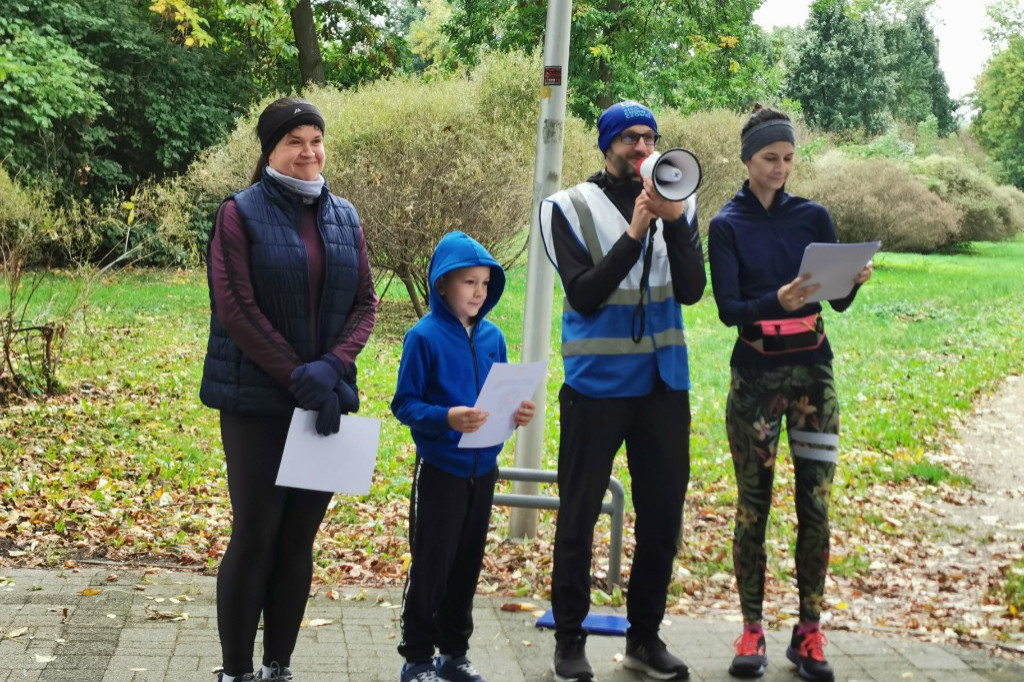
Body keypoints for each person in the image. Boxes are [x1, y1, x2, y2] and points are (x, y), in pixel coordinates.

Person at [199, 97, 378, 682]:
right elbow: (237, 309)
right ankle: (235, 671)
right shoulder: (239, 213)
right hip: (257, 401)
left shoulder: (345, 216)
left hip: (325, 401)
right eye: (295, 141)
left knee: (300, 538)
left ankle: (279, 665)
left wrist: (331, 366)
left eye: (316, 140)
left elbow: (365, 304)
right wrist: (300, 375)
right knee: (256, 533)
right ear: (270, 150)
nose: (309, 152)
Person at [538, 100, 706, 682]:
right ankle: (569, 640)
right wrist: (635, 232)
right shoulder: (565, 208)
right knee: (578, 517)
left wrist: (677, 222)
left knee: (662, 518)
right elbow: (584, 293)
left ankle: (645, 638)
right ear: (607, 145)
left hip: (663, 384)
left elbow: (691, 291)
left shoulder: (678, 202)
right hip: (597, 387)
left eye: (650, 138)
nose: (642, 148)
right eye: (630, 139)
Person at [707, 106, 873, 682]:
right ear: (748, 159)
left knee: (816, 506)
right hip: (754, 380)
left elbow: (837, 303)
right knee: (754, 508)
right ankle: (752, 629)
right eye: (769, 158)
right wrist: (773, 303)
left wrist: (851, 282)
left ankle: (809, 632)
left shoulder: (813, 217)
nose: (780, 168)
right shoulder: (726, 224)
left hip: (813, 377)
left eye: (787, 158)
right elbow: (728, 310)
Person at [391, 231, 536, 682]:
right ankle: (416, 659)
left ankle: (454, 654)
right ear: (441, 285)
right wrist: (446, 418)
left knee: (467, 563)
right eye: (469, 283)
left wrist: (519, 412)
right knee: (432, 565)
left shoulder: (493, 337)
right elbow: (404, 404)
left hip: (483, 470)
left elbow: (501, 395)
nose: (479, 292)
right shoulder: (423, 337)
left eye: (485, 284)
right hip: (440, 471)